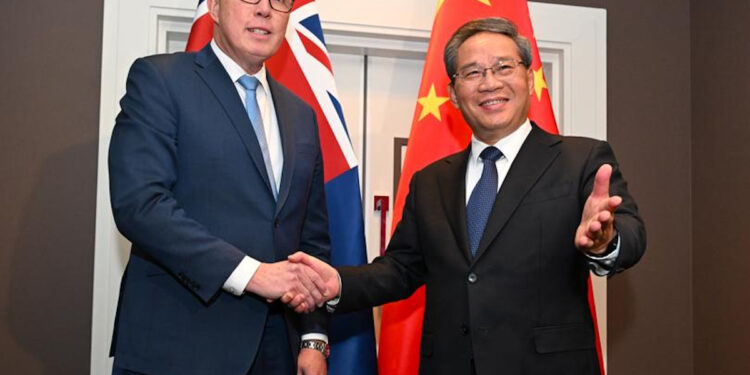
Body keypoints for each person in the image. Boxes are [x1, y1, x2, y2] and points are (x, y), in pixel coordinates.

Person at [289, 17, 646, 375]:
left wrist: (604, 242)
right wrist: (337, 284)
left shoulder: (581, 160)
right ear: (454, 94)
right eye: (472, 73)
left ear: (528, 78)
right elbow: (399, 270)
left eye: (504, 66)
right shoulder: (429, 181)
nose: (490, 83)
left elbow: (631, 235)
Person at [108, 0, 332, 374]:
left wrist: (314, 338)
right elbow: (141, 205)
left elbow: (313, 239)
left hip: (278, 352)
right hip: (179, 346)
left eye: (279, 0)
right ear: (213, 7)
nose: (265, 10)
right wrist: (253, 274)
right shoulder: (160, 80)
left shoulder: (301, 115)